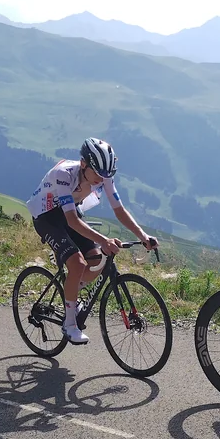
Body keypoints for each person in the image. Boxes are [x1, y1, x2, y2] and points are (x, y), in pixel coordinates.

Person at [27, 137, 157, 344]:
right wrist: (104, 240)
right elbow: (71, 220)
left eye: (106, 175)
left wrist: (143, 236)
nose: (101, 179)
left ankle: (71, 291)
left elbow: (119, 210)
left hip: (69, 211)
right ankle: (70, 325)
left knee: (97, 260)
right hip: (46, 216)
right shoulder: (63, 175)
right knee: (77, 264)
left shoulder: (104, 176)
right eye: (97, 174)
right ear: (83, 164)